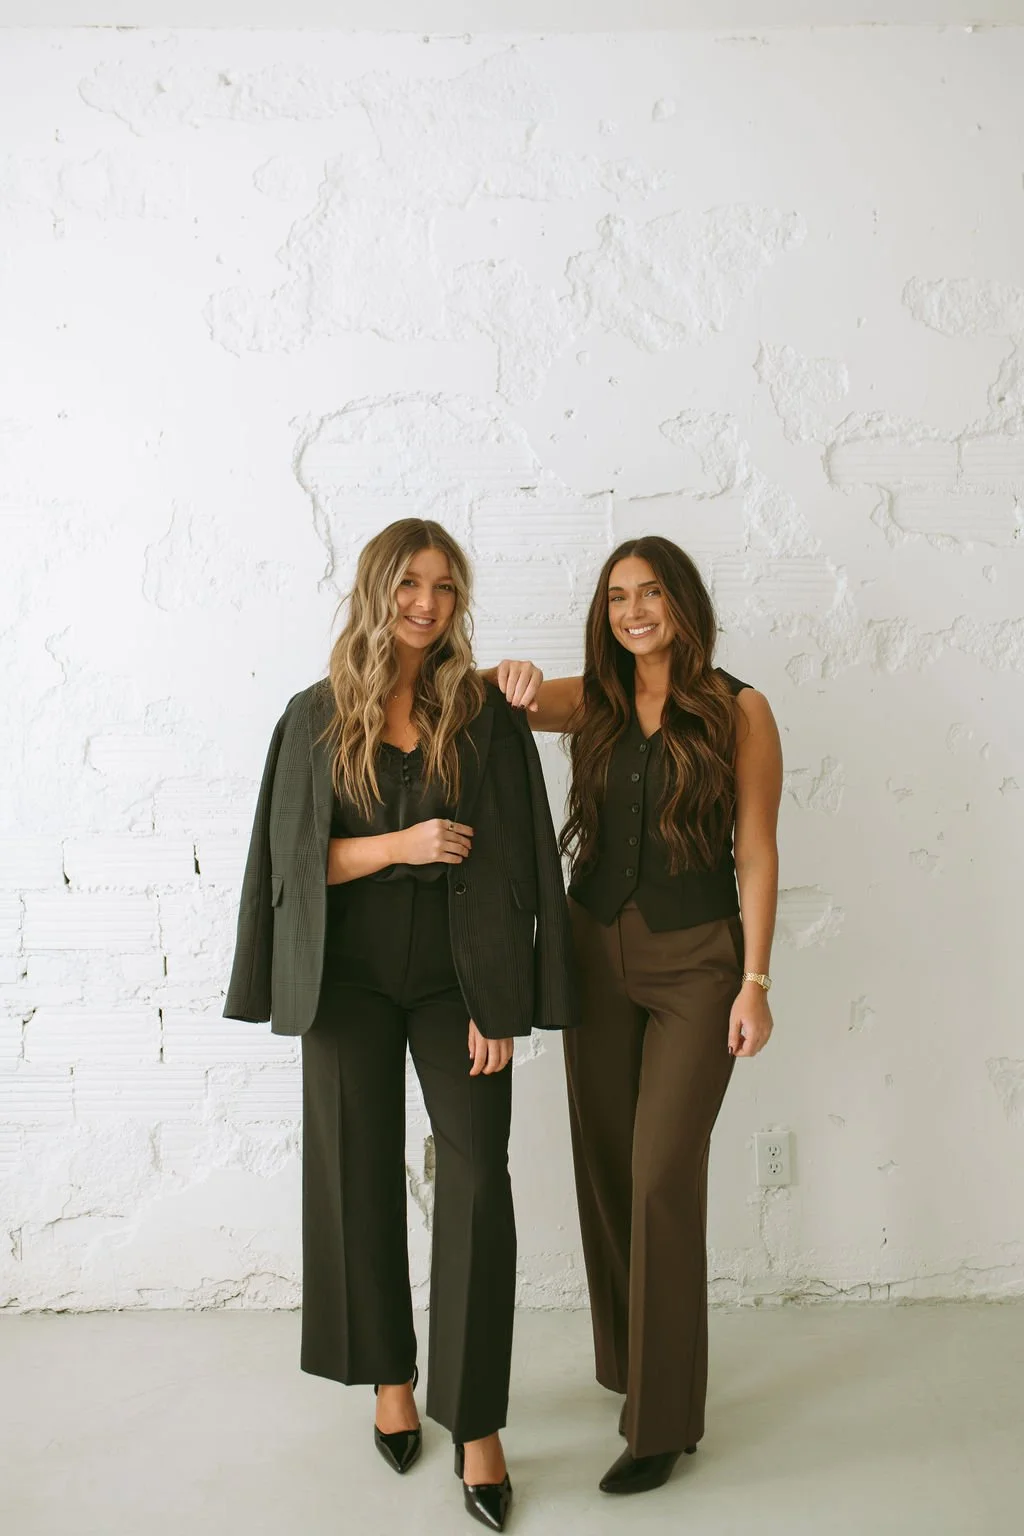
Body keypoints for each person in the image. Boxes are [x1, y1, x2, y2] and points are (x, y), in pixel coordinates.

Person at [224, 518, 578, 1533]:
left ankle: (476, 1422)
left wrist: (503, 999)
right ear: (376, 590)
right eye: (410, 583)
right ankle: (389, 1375)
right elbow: (295, 863)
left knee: (476, 1178)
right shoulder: (313, 716)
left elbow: (517, 859)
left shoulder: (485, 714)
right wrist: (399, 844)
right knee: (356, 1172)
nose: (426, 603)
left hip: (455, 984)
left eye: (445, 586)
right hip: (347, 983)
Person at [491, 535, 782, 1496]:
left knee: (661, 1175)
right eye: (618, 597)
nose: (634, 611)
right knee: (609, 1165)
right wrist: (512, 675)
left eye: (651, 592)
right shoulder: (599, 699)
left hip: (698, 962)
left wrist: (756, 980)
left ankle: (663, 1424)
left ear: (683, 602)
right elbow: (502, 700)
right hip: (592, 951)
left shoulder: (741, 709)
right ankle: (630, 1366)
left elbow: (757, 850)